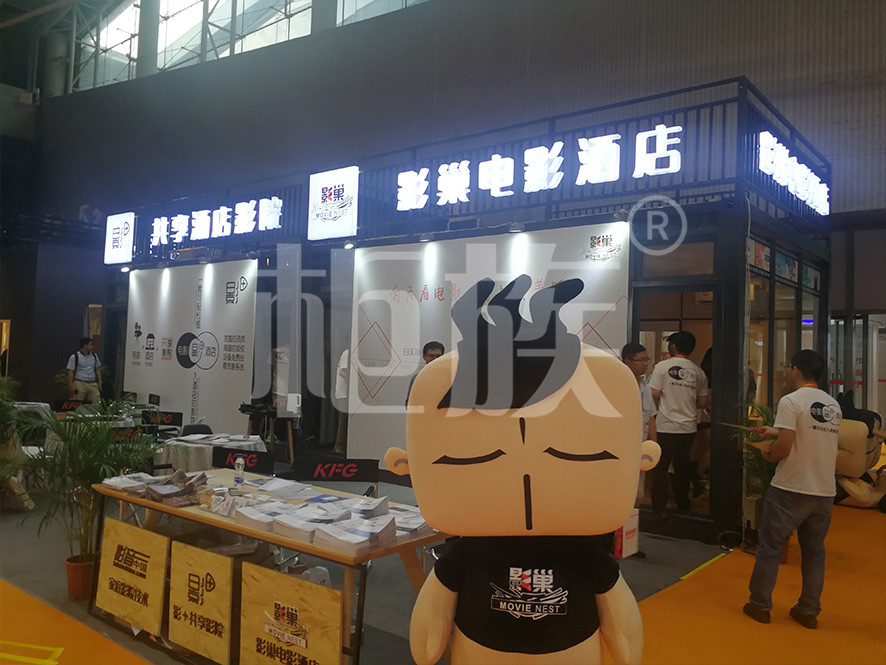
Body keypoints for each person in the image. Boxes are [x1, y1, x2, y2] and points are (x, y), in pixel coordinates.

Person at [743, 349, 841, 629]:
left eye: (789, 368)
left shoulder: (791, 400)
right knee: (814, 553)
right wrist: (773, 430)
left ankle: (760, 605)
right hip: (823, 491)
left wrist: (769, 454)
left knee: (770, 547)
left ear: (796, 370)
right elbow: (810, 434)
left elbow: (784, 447)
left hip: (791, 487)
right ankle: (808, 610)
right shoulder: (832, 404)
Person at [648, 331, 709, 516]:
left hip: (665, 426)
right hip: (688, 427)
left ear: (673, 346)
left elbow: (653, 392)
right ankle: (683, 505)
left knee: (660, 467)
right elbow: (702, 403)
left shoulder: (662, 367)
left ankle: (659, 507)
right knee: (682, 466)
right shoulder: (698, 371)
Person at [622, 343, 657, 507]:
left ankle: (633, 517)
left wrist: (653, 444)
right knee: (624, 486)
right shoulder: (618, 383)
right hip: (622, 442)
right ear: (627, 361)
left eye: (646, 359)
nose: (645, 364)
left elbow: (650, 417)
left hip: (640, 441)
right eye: (640, 360)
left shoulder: (644, 386)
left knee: (638, 491)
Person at [404, 341, 444, 408]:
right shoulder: (416, 379)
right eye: (431, 356)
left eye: (438, 356)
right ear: (424, 357)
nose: (435, 359)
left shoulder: (451, 378)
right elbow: (409, 405)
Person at [66, 337, 102, 403]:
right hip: (80, 383)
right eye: (91, 344)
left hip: (92, 383)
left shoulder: (94, 356)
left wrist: (99, 382)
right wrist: (70, 386)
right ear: (85, 345)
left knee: (96, 402)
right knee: (77, 403)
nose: (93, 346)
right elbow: (71, 372)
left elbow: (97, 369)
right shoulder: (75, 357)